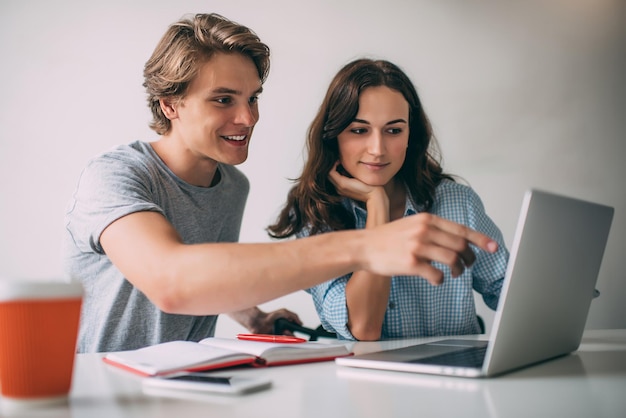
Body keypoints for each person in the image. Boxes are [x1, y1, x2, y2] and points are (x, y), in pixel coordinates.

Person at [63, 14, 499, 353]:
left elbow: (206, 272)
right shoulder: (114, 176)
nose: (248, 118)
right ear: (170, 104)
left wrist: (252, 318)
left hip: (184, 385)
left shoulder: (231, 185)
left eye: (252, 98)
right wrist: (371, 244)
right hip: (105, 387)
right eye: (223, 100)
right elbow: (171, 281)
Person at [268, 59, 509, 341]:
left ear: (411, 136)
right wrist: (377, 205)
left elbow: (510, 293)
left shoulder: (457, 201)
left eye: (394, 131)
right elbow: (364, 328)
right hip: (368, 384)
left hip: (458, 379)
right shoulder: (315, 217)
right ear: (334, 137)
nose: (378, 149)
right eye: (359, 130)